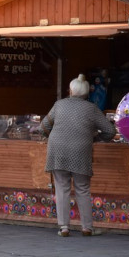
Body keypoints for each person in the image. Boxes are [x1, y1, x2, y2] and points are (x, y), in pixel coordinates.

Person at [41, 74, 117, 237]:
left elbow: (44, 127)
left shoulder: (59, 105)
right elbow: (110, 131)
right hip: (80, 150)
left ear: (70, 91)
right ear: (87, 93)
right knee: (82, 188)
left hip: (57, 149)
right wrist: (95, 137)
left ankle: (64, 227)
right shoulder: (92, 108)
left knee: (62, 187)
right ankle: (87, 228)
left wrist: (53, 137)